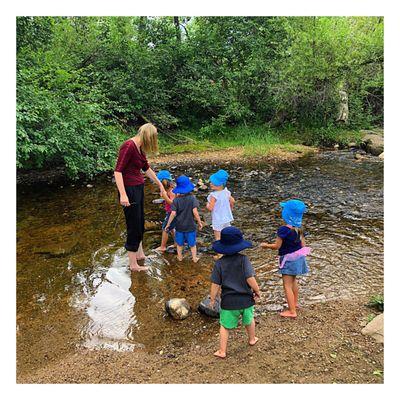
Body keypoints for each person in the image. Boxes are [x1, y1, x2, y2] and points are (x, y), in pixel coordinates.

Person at [114, 123, 165, 272]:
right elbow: (118, 172)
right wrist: (123, 194)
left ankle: (140, 254)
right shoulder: (128, 146)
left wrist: (160, 184)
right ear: (147, 136)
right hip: (129, 190)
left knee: (140, 221)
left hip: (138, 188)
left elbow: (146, 168)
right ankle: (133, 264)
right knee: (133, 225)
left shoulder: (139, 148)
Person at [209, 226, 260, 359]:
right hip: (246, 300)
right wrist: (257, 290)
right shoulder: (244, 260)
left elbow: (215, 284)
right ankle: (252, 339)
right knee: (249, 320)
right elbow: (250, 279)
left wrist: (212, 299)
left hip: (228, 302)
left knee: (224, 326)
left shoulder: (219, 264)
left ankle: (222, 350)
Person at [260, 199, 311, 318]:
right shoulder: (299, 229)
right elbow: (303, 245)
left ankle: (292, 311)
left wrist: (266, 245)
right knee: (293, 281)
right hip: (298, 258)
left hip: (288, 260)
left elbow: (277, 246)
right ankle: (295, 303)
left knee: (287, 285)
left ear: (286, 214)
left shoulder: (283, 230)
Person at [165, 175, 203, 263]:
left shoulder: (176, 201)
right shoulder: (192, 198)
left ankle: (180, 257)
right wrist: (199, 222)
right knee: (192, 244)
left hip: (179, 227)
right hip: (190, 226)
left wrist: (168, 224)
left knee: (179, 244)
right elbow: (195, 212)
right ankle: (194, 258)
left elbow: (173, 214)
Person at [206, 169, 235, 258]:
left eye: (213, 183)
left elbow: (210, 208)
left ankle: (220, 255)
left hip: (218, 220)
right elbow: (233, 201)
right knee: (227, 235)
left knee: (218, 238)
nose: (210, 184)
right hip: (227, 218)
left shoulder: (213, 196)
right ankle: (230, 251)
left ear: (219, 184)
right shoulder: (227, 192)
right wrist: (230, 208)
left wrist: (207, 204)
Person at [155, 170, 176, 252]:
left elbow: (173, 203)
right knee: (171, 228)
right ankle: (176, 243)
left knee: (165, 228)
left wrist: (165, 197)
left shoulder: (172, 191)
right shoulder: (167, 189)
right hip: (170, 212)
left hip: (173, 213)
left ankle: (162, 246)